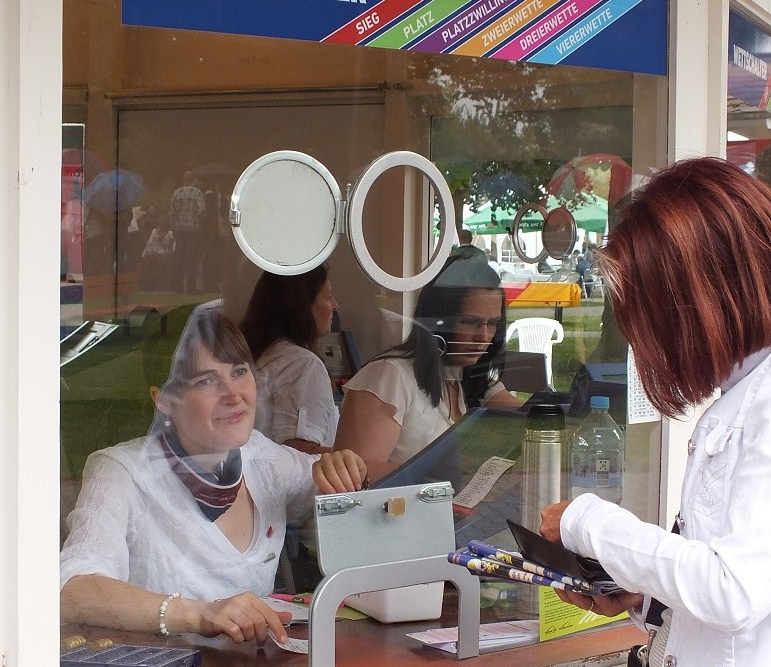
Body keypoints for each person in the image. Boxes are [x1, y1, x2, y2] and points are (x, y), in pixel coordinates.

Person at [537, 157, 771, 667]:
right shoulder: (764, 382)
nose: (644, 339)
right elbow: (770, 592)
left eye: (653, 313)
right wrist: (645, 596)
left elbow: (736, 587)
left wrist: (592, 526)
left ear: (704, 291)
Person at [60, 307, 366, 645]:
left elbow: (333, 495)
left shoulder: (263, 458)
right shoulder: (121, 471)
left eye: (238, 372)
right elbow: (73, 590)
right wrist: (198, 614)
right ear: (163, 401)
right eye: (206, 380)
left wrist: (342, 471)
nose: (233, 396)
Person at [335, 253, 521, 482]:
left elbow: (527, 418)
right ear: (438, 320)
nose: (483, 337)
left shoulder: (470, 375)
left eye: (493, 324)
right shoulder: (390, 376)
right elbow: (353, 474)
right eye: (469, 322)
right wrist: (441, 479)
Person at [239, 266, 339, 454]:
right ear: (301, 306)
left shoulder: (260, 352)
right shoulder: (303, 365)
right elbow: (300, 450)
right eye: (327, 297)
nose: (335, 305)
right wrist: (356, 460)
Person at [169, 172, 206, 294]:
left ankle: (177, 287)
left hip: (179, 229)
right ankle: (191, 287)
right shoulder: (197, 193)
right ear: (193, 180)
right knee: (191, 257)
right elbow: (202, 210)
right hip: (193, 229)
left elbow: (172, 213)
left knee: (179, 257)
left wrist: (174, 226)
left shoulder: (176, 193)